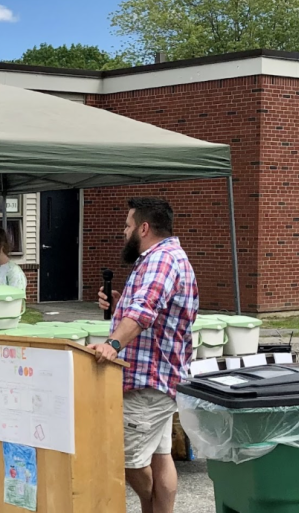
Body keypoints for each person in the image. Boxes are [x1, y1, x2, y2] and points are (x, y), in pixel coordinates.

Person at [89, 197, 198, 513]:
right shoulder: (165, 257)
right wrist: (120, 301)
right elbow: (150, 307)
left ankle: (151, 506)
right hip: (161, 378)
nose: (124, 232)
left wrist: (113, 344)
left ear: (144, 228)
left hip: (147, 382)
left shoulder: (161, 260)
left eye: (127, 225)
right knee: (159, 455)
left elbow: (144, 311)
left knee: (126, 458)